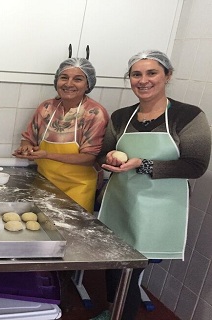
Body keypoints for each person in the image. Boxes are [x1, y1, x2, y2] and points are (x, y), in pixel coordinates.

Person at [93, 50, 211, 320]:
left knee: (131, 271)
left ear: (167, 76)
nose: (143, 80)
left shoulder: (188, 116)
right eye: (136, 74)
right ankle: (112, 311)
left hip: (159, 208)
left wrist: (142, 164)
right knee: (114, 263)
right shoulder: (122, 116)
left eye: (152, 73)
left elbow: (196, 165)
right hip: (121, 201)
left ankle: (121, 315)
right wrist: (108, 159)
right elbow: (102, 154)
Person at [13, 58, 109, 213]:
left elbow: (89, 158)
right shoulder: (46, 108)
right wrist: (26, 149)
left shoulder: (94, 113)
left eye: (78, 79)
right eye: (64, 77)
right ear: (56, 80)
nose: (69, 84)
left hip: (78, 189)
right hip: (44, 183)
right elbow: (28, 138)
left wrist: (46, 154)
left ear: (88, 84)